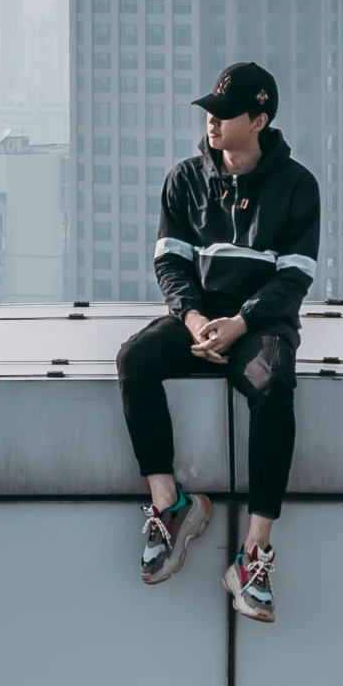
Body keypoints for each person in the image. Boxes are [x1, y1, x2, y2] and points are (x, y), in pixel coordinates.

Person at [115, 61, 321, 624]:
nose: (213, 120)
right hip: (198, 324)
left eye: (226, 113)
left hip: (260, 330)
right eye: (211, 110)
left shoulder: (298, 186)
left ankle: (253, 555)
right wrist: (194, 320)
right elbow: (171, 267)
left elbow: (294, 277)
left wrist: (242, 322)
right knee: (135, 359)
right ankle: (169, 504)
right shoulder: (185, 178)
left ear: (259, 119)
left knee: (275, 388)